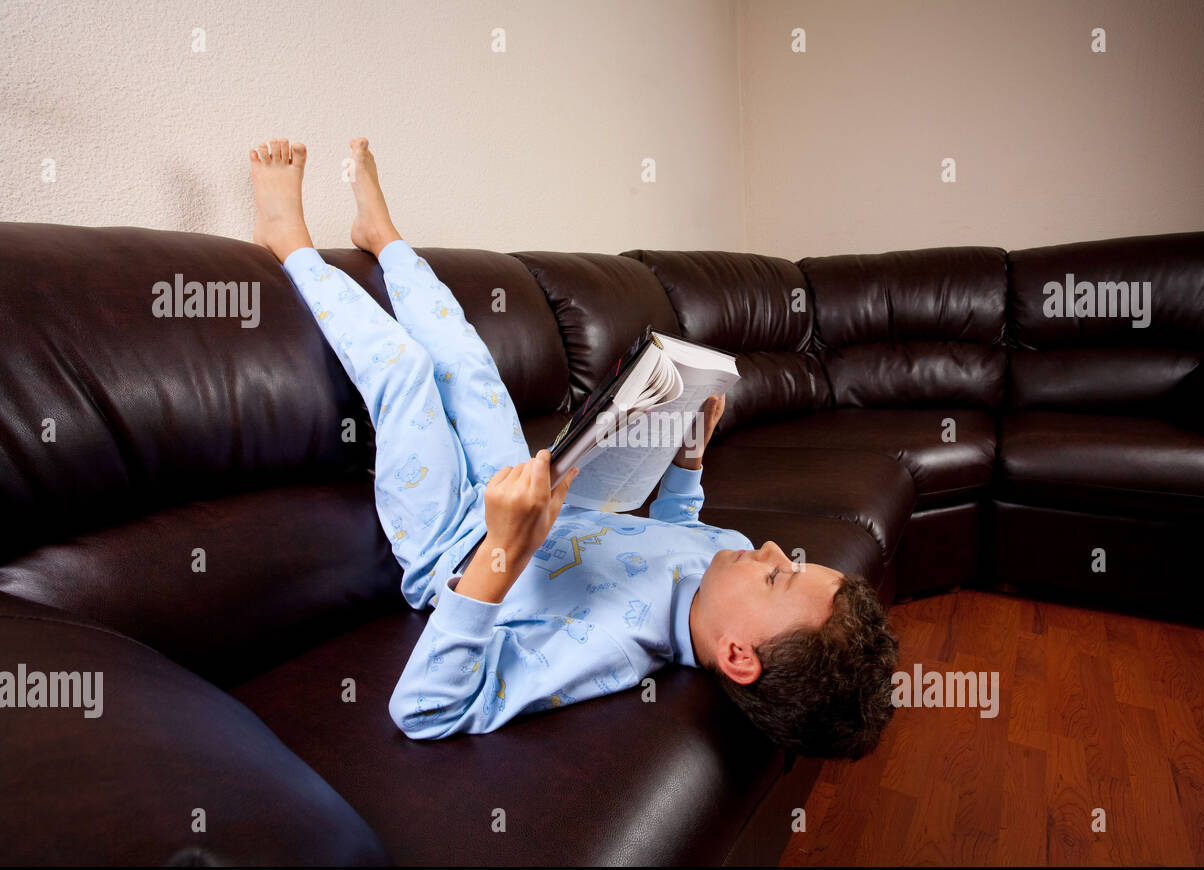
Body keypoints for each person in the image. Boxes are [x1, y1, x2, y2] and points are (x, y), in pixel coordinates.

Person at [248, 137, 898, 760]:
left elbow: (425, 710)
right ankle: (385, 241)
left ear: (737, 655)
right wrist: (687, 457)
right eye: (791, 558)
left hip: (450, 540)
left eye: (779, 575)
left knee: (405, 373)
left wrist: (504, 550)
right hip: (528, 490)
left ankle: (289, 243)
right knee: (470, 365)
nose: (772, 550)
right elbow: (675, 531)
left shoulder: (613, 652)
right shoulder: (721, 560)